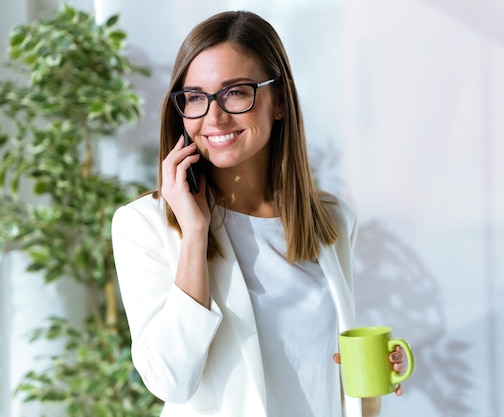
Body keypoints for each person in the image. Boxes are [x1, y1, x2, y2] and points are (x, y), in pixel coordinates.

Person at [111, 10, 406, 417]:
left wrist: (372, 382)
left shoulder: (332, 221)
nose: (213, 116)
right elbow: (170, 381)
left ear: (279, 100)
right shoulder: (144, 225)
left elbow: (329, 375)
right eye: (195, 97)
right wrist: (195, 234)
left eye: (235, 92)